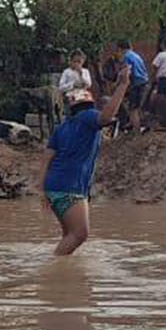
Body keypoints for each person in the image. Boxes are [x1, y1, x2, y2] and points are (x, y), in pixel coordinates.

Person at [43, 84, 127, 256]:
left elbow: (46, 160)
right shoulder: (88, 117)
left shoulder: (62, 128)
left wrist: (43, 190)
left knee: (69, 235)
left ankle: (64, 276)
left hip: (54, 186)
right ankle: (51, 273)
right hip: (70, 187)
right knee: (80, 234)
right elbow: (107, 116)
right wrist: (123, 84)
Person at [119, 39, 149, 133]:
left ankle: (136, 131)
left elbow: (127, 71)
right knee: (137, 105)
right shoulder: (137, 55)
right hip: (144, 81)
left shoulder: (126, 56)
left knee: (133, 108)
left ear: (120, 49)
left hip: (135, 82)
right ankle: (135, 124)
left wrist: (121, 83)